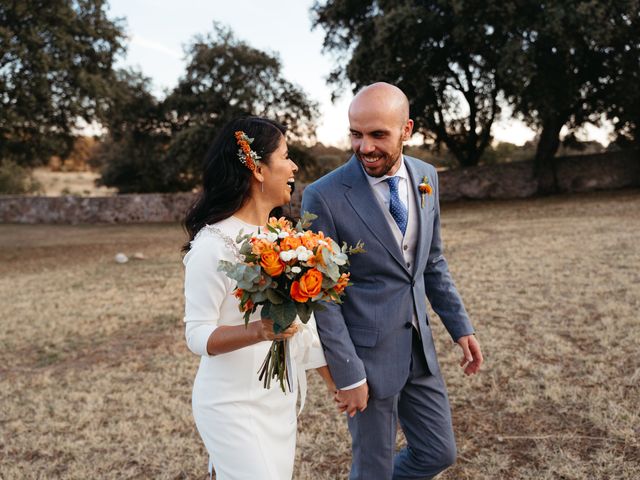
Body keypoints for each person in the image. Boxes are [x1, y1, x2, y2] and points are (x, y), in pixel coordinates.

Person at [301, 83, 484, 480]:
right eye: (356, 133)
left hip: (420, 349)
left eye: (378, 134)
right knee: (373, 469)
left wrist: (460, 327)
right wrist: (347, 373)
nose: (364, 147)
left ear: (407, 130)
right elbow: (323, 298)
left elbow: (431, 261)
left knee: (438, 452)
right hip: (366, 357)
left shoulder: (427, 176)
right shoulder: (324, 195)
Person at [182, 116, 334, 480]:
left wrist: (335, 383)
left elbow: (302, 326)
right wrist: (259, 332)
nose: (294, 165)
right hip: (231, 406)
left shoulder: (283, 239)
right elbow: (196, 336)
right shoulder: (212, 246)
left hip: (277, 401)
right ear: (258, 169)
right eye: (285, 155)